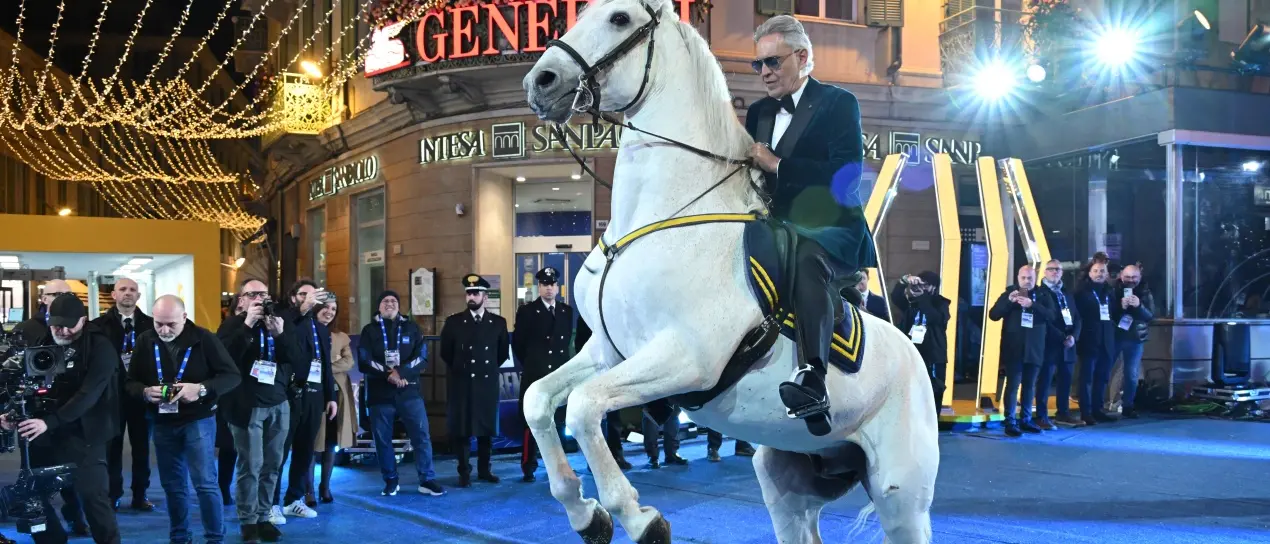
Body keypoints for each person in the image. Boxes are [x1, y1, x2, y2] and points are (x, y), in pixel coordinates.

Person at [744, 15, 876, 435]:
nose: (764, 72)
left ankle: (813, 378)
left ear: (801, 58)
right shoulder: (758, 112)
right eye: (758, 64)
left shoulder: (839, 103)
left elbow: (846, 177)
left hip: (830, 229)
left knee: (804, 256)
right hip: (775, 226)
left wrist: (778, 164)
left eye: (773, 62)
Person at [2, 293, 121, 544]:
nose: (63, 331)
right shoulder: (43, 342)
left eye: (69, 326)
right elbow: (26, 385)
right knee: (33, 496)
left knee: (93, 498)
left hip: (84, 434)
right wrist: (12, 413)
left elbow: (88, 395)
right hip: (42, 431)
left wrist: (50, 421)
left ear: (83, 321)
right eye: (57, 325)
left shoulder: (101, 347)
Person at [125, 295, 241, 544]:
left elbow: (232, 376)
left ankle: (215, 538)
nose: (164, 330)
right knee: (173, 485)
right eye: (159, 324)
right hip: (162, 422)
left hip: (197, 420)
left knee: (205, 483)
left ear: (184, 317)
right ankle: (179, 536)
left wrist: (200, 389)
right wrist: (144, 392)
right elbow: (130, 381)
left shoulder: (204, 338)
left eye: (171, 324)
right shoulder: (145, 340)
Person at [216, 278, 302, 543]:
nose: (259, 299)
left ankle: (264, 516)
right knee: (250, 465)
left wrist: (280, 335)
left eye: (263, 294)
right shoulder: (232, 325)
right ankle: (248, 520)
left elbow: (297, 360)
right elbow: (225, 360)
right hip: (246, 405)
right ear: (241, 299)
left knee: (273, 464)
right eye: (252, 294)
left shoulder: (278, 322)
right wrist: (247, 324)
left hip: (278, 402)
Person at [10, 280, 91, 536]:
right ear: (43, 298)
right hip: (33, 418)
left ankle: (76, 518)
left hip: (70, 418)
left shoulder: (83, 333)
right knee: (35, 480)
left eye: (67, 293)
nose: (62, 330)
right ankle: (46, 532)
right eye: (56, 294)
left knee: (72, 478)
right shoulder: (26, 330)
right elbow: (12, 373)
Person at [360, 290, 444, 496]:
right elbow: (364, 360)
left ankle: (427, 479)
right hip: (380, 394)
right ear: (379, 306)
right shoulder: (369, 330)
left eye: (393, 300)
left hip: (409, 392)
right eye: (385, 300)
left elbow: (422, 357)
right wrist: (389, 375)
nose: (389, 303)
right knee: (382, 440)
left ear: (399, 306)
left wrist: (402, 372)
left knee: (421, 436)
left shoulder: (412, 328)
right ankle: (390, 480)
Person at [90, 278, 156, 512]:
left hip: (141, 395)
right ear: (114, 295)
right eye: (123, 289)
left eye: (132, 290)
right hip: (111, 396)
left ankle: (140, 494)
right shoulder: (97, 326)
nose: (128, 293)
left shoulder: (151, 325)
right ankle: (113, 494)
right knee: (112, 448)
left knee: (142, 448)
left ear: (138, 296)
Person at [273, 280, 337, 520]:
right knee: (280, 450)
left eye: (313, 295)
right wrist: (301, 310)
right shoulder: (286, 320)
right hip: (290, 393)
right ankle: (271, 502)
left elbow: (326, 365)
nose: (308, 299)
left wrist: (331, 396)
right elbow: (284, 340)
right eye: (303, 294)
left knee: (306, 448)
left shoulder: (320, 327)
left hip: (315, 393)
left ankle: (294, 499)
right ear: (293, 297)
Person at [440, 275, 509, 487]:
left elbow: (501, 353)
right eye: (468, 293)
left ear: (485, 297)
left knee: (485, 430)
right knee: (462, 430)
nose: (471, 297)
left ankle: (484, 470)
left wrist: (485, 369)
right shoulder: (454, 322)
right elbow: (446, 353)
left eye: (476, 293)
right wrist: (462, 369)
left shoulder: (498, 323)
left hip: (486, 383)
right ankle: (464, 472)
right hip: (463, 383)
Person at [512, 267, 574, 483]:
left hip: (558, 373)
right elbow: (518, 344)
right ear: (539, 287)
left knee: (558, 421)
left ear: (557, 287)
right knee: (532, 421)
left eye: (552, 284)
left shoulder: (566, 311)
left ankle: (559, 466)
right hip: (535, 375)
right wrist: (532, 364)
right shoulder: (527, 311)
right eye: (545, 284)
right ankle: (529, 465)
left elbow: (565, 344)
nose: (549, 288)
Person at [989, 265, 1058, 437]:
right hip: (1014, 348)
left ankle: (1026, 420)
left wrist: (1032, 304)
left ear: (1035, 279)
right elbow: (993, 315)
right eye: (1023, 278)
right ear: (1018, 278)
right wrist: (1009, 302)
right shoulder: (1010, 293)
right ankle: (1010, 421)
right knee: (1013, 385)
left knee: (1029, 385)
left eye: (1030, 278)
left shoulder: (1043, 295)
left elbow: (1052, 316)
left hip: (1035, 348)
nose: (1027, 281)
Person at [575, 317, 632, 470]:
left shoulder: (610, 314)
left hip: (611, 370)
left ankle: (617, 455)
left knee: (614, 416)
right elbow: (579, 345)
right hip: (593, 373)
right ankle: (595, 460)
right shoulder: (584, 317)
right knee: (594, 418)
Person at [891, 272, 951, 415]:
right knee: (912, 388)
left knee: (934, 388)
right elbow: (896, 297)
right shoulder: (912, 302)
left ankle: (933, 420)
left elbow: (934, 317)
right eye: (920, 284)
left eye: (925, 285)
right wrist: (904, 280)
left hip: (933, 354)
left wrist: (923, 297)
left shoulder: (941, 303)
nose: (921, 287)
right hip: (913, 352)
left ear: (933, 287)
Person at [313, 298, 355, 503]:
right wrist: (333, 363)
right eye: (325, 307)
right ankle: (307, 490)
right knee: (311, 443)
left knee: (331, 441)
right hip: (312, 393)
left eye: (333, 309)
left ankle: (325, 487)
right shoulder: (305, 332)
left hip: (336, 395)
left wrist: (323, 368)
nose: (329, 312)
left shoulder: (341, 337)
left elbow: (349, 362)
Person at [1036, 260, 1082, 428]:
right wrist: (1062, 337)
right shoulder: (1040, 293)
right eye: (1051, 269)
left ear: (1062, 273)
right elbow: (1045, 320)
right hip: (1050, 343)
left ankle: (1063, 413)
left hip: (1069, 344)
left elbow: (1077, 318)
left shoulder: (1066, 293)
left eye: (1058, 269)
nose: (1054, 272)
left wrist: (1073, 337)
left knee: (1066, 380)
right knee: (1045, 381)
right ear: (1044, 272)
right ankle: (1041, 416)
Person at [1074, 258, 1118, 425]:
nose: (1099, 274)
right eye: (1096, 271)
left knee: (1102, 377)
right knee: (1086, 378)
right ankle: (1086, 412)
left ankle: (1098, 409)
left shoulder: (1109, 291)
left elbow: (1113, 314)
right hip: (1089, 340)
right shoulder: (1081, 292)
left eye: (1102, 271)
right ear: (1089, 273)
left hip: (1107, 341)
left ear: (1107, 274)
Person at [1111, 265, 1154, 419]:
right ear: (1121, 276)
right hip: (1115, 336)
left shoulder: (1145, 292)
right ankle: (1101, 404)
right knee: (1105, 370)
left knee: (1131, 374)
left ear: (1139, 277)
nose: (1130, 281)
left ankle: (1128, 405)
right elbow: (1108, 314)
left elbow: (1150, 316)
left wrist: (1139, 306)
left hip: (1135, 338)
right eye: (1127, 277)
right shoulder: (1113, 290)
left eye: (1134, 277)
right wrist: (1120, 307)